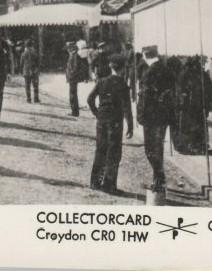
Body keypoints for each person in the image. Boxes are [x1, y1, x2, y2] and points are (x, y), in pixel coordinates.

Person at [87, 54, 134, 193]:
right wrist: (130, 126)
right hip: (115, 122)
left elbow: (90, 99)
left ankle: (95, 182)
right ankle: (109, 184)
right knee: (114, 152)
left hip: (102, 120)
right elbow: (127, 109)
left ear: (111, 67)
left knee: (100, 150)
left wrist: (97, 113)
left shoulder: (101, 81)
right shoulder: (123, 85)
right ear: (122, 69)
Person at [136, 45, 176, 195]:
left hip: (151, 117)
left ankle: (159, 179)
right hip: (164, 116)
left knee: (150, 149)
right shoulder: (167, 71)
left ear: (146, 55)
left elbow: (144, 98)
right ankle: (158, 180)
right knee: (158, 148)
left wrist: (140, 116)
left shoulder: (148, 73)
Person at [172, 56, 212, 155]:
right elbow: (179, 90)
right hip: (192, 106)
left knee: (193, 126)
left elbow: (209, 90)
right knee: (195, 126)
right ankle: (195, 145)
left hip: (193, 106)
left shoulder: (196, 74)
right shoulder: (194, 74)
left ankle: (194, 145)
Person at [65, 42, 85, 117]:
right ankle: (74, 111)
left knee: (73, 95)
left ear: (72, 48)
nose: (68, 50)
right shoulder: (73, 55)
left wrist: (71, 74)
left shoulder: (75, 56)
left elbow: (76, 67)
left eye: (68, 48)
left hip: (73, 78)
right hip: (71, 78)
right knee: (72, 94)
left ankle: (75, 112)